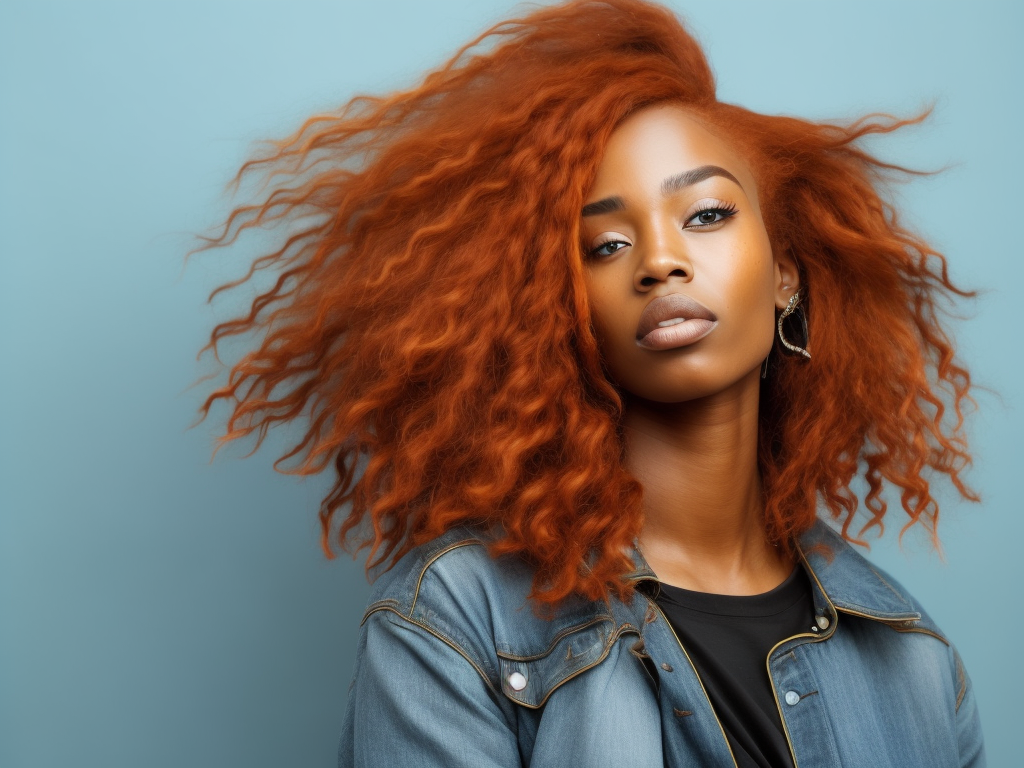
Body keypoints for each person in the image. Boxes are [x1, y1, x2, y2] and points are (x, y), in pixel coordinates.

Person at [196, 1, 985, 765]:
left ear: (786, 276)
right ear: (561, 310)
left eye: (705, 215)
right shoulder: (458, 618)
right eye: (605, 245)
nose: (660, 261)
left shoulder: (911, 657)